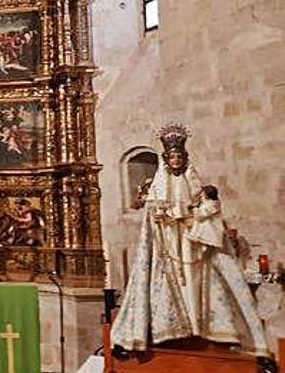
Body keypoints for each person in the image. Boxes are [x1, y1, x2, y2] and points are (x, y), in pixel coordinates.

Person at [111, 125, 273, 367]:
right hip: (168, 248)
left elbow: (206, 209)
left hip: (195, 246)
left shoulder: (194, 182)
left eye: (179, 156)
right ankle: (160, 332)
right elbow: (153, 214)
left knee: (208, 288)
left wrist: (199, 212)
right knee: (161, 288)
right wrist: (167, 216)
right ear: (166, 160)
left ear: (184, 159)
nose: (176, 160)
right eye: (172, 156)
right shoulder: (158, 185)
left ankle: (216, 333)